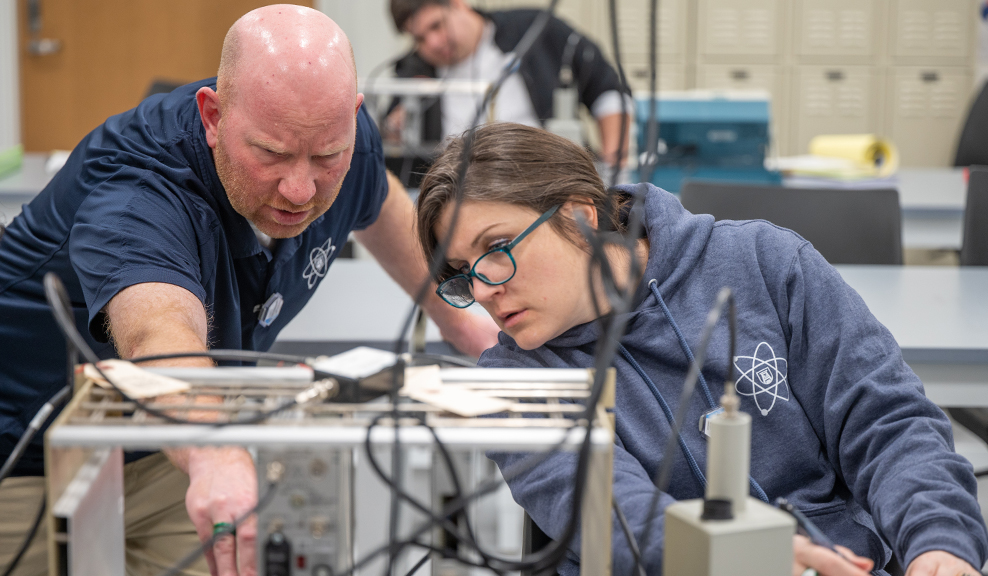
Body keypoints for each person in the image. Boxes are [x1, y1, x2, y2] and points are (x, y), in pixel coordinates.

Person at [0, 5, 498, 576]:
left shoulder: (332, 131)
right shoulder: (136, 188)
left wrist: (459, 318)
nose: (300, 188)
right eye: (271, 154)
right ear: (212, 115)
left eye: (326, 156)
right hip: (30, 460)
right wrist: (215, 452)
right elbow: (158, 327)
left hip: (169, 446)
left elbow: (377, 198)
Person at [414, 122, 988, 576]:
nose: (485, 289)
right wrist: (755, 559)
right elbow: (614, 521)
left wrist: (939, 542)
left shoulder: (767, 264)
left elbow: (886, 423)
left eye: (497, 248)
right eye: (461, 274)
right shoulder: (513, 382)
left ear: (579, 216)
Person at [387, 0, 632, 166]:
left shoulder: (534, 31)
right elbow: (391, 131)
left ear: (457, 4)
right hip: (458, 195)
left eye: (436, 26)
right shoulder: (414, 70)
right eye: (419, 38)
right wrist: (395, 126)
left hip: (550, 181)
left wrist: (614, 164)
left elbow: (607, 90)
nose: (433, 44)